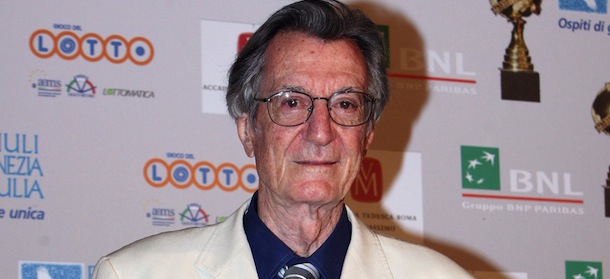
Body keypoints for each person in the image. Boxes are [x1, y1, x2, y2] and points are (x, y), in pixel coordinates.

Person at [92, 0, 474, 278]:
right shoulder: (134, 274)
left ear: (368, 134)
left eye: (345, 104)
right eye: (291, 102)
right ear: (248, 130)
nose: (321, 132)